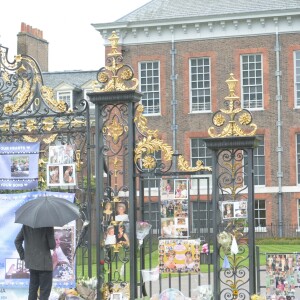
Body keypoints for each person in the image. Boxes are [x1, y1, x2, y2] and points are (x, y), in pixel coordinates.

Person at [14, 225, 55, 300]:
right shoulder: (48, 225)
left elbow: (17, 241)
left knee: (32, 291)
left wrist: (23, 256)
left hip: (32, 265)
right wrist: (51, 232)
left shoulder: (26, 225)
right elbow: (52, 245)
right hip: (45, 266)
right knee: (44, 294)